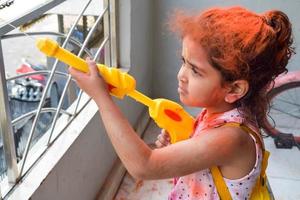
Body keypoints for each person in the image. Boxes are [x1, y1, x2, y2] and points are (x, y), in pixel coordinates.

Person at [69, 6, 294, 200]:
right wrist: (179, 148)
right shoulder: (217, 113)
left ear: (234, 89)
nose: (181, 75)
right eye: (183, 61)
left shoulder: (233, 138)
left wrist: (102, 98)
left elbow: (143, 165)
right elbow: (208, 169)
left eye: (195, 70)